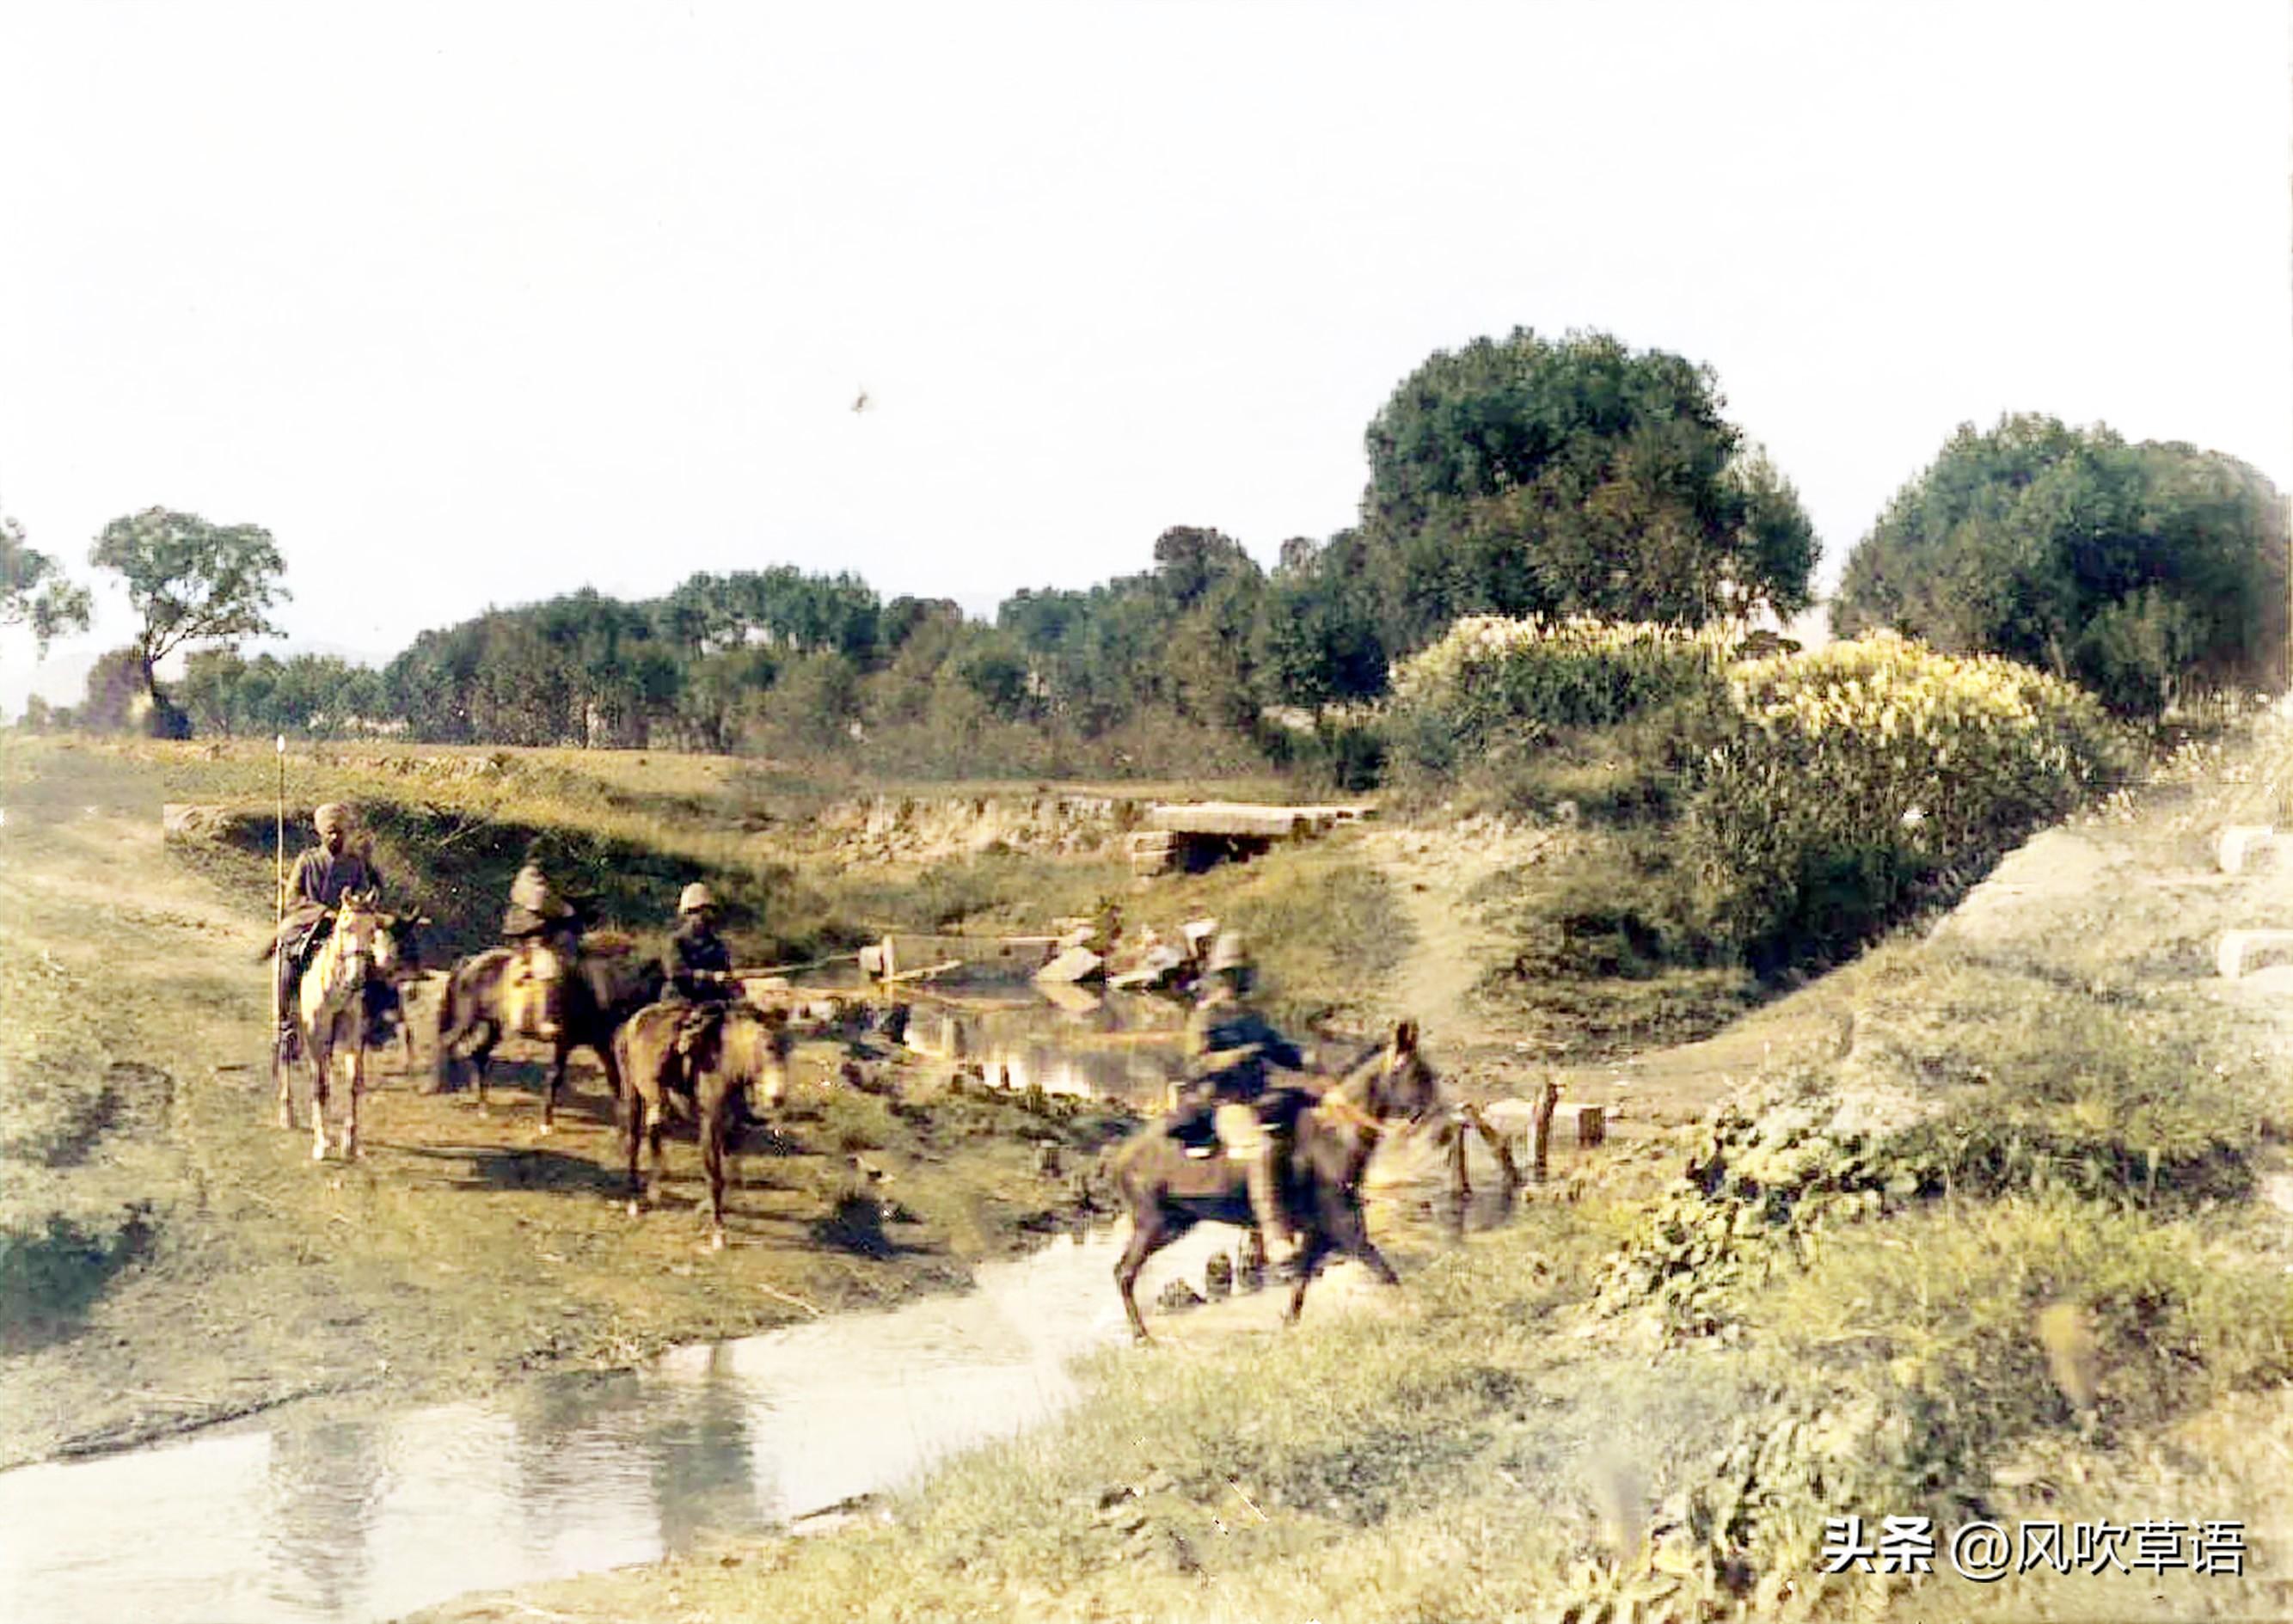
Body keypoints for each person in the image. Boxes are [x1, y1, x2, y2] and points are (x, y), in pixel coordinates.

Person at [1170, 931, 1308, 1272]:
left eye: (1241, 973)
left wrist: (1306, 1056)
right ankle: (1274, 1234)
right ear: (1219, 977)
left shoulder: (1250, 1015)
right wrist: (1236, 1056)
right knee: (1261, 1149)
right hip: (1225, 1104)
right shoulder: (1206, 1016)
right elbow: (1196, 1065)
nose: (1237, 980)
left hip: (1261, 1099)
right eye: (1231, 974)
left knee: (1311, 1125)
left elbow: (1278, 1048)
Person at [273, 803, 388, 1060]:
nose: (335, 837)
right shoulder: (308, 860)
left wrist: (354, 909)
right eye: (330, 832)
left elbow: (364, 895)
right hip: (310, 925)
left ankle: (377, 1024)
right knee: (289, 962)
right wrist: (322, 912)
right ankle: (287, 1028)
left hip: (347, 928)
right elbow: (292, 897)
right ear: (322, 834)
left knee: (375, 964)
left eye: (340, 832)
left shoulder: (355, 865)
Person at [659, 881, 739, 1066]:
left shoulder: (717, 944)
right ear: (690, 914)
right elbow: (675, 972)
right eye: (700, 911)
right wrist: (711, 977)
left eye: (708, 911)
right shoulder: (675, 941)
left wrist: (731, 983)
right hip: (680, 999)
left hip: (711, 1001)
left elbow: (725, 971)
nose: (705, 915)